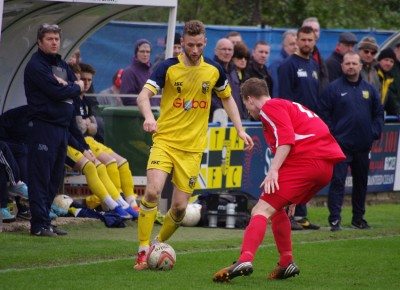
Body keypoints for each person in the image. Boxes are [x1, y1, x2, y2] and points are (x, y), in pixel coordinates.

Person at [134, 19, 254, 271]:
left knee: (179, 208)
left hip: (192, 149)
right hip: (165, 141)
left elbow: (228, 99)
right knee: (153, 192)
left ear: (205, 42)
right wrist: (148, 117)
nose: (195, 50)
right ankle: (143, 249)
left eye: (199, 45)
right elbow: (143, 95)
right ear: (182, 43)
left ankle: (159, 243)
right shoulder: (167, 68)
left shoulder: (213, 70)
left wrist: (240, 129)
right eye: (190, 45)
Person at [212, 77, 345, 282]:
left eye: (246, 105)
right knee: (277, 208)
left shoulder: (269, 107)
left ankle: (245, 258)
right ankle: (286, 262)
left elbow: (287, 139)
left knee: (260, 210)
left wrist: (273, 170)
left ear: (249, 99)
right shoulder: (286, 105)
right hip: (324, 166)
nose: (248, 111)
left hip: (307, 160)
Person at [24, 23, 84, 237]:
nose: (54, 42)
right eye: (49, 39)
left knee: (54, 177)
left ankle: (46, 220)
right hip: (43, 127)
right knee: (40, 176)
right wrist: (73, 87)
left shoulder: (60, 64)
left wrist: (69, 86)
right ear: (40, 42)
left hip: (61, 128)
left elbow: (73, 89)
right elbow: (57, 92)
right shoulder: (36, 65)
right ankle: (38, 224)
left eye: (56, 39)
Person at [319, 52, 384, 231]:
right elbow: (323, 114)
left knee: (361, 183)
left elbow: (379, 113)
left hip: (363, 146)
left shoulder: (369, 89)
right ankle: (334, 220)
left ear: (360, 66)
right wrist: (333, 135)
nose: (351, 66)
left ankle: (358, 219)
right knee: (338, 182)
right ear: (342, 66)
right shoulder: (333, 89)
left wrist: (374, 132)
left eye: (354, 63)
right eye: (347, 63)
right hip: (340, 146)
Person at [72, 63, 138, 209]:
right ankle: (116, 202)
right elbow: (79, 128)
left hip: (89, 139)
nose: (86, 83)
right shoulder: (73, 99)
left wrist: (87, 123)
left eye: (89, 80)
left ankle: (132, 203)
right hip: (77, 142)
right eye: (83, 79)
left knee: (123, 162)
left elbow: (94, 129)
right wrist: (87, 124)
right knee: (109, 163)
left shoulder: (86, 100)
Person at [278, 25, 321, 230]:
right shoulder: (288, 65)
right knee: (293, 171)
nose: (306, 43)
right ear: (296, 40)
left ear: (315, 41)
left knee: (306, 172)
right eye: (302, 40)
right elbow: (285, 100)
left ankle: (301, 216)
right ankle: (287, 215)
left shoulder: (313, 65)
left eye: (309, 40)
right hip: (295, 128)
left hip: (311, 128)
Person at [209, 38, 249, 123]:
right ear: (216, 51)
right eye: (223, 49)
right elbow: (208, 94)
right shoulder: (211, 69)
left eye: (230, 49)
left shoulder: (234, 70)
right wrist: (219, 109)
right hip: (218, 122)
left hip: (237, 121)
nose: (227, 52)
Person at [120, 39, 152, 106]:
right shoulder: (129, 72)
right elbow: (127, 98)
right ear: (136, 53)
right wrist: (146, 105)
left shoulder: (151, 72)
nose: (145, 54)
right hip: (137, 114)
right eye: (142, 51)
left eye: (148, 52)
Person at [302, 17, 329, 93]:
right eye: (310, 30)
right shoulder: (294, 56)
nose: (313, 33)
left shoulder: (319, 56)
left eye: (316, 30)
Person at [268, 29, 297, 97]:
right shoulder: (277, 65)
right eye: (292, 44)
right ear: (284, 46)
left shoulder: (299, 63)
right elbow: (276, 91)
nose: (295, 47)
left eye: (297, 44)